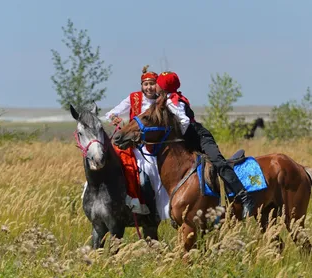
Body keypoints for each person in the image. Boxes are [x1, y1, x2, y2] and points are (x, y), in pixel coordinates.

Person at [155, 71, 254, 219]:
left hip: (199, 137)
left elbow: (184, 122)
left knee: (218, 162)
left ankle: (244, 197)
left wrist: (178, 137)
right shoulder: (165, 100)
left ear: (164, 87)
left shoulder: (172, 102)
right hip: (189, 139)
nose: (155, 85)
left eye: (158, 83)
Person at [104, 65, 170, 220]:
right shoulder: (134, 98)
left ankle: (155, 206)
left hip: (156, 146)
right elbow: (112, 113)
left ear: (157, 85)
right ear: (142, 86)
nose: (149, 87)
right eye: (146, 84)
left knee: (150, 170)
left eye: (152, 83)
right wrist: (115, 118)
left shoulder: (162, 101)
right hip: (135, 145)